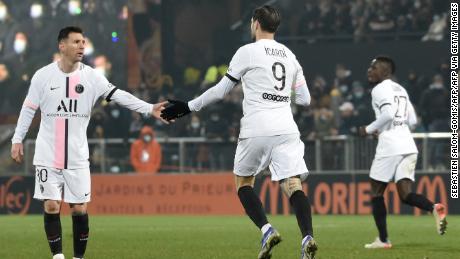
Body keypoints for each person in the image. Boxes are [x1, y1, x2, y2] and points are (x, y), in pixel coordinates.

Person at [161, 5, 317, 259]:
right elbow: (305, 99)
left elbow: (221, 91)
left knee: (243, 182)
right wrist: (278, 93)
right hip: (287, 128)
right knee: (293, 184)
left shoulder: (247, 52)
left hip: (257, 127)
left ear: (255, 23)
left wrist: (188, 107)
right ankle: (307, 237)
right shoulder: (290, 56)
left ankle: (267, 230)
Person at [10, 26, 168, 259]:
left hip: (76, 155)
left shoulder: (91, 77)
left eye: (83, 42)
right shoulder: (42, 76)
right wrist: (17, 139)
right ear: (61, 46)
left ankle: (78, 258)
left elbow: (119, 95)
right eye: (76, 42)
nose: (81, 46)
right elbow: (28, 110)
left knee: (79, 208)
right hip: (47, 154)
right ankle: (57, 256)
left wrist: (148, 108)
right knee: (52, 205)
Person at [358, 56, 447, 249]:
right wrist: (387, 128)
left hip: (390, 146)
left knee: (376, 191)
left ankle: (383, 240)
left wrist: (368, 129)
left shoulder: (379, 89)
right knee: (405, 195)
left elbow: (388, 114)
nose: (369, 70)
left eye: (374, 67)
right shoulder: (402, 89)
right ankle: (433, 207)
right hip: (407, 144)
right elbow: (413, 121)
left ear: (385, 71)